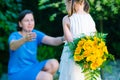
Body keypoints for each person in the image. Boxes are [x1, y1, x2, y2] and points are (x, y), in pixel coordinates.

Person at [8, 9, 64, 80]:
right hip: (18, 72)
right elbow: (12, 46)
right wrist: (24, 39)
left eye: (32, 20)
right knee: (47, 77)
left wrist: (64, 38)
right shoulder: (14, 35)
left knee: (54, 63)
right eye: (26, 20)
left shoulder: (35, 33)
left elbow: (53, 41)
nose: (30, 23)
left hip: (33, 67)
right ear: (20, 24)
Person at [59, 0, 102, 80]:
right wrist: (91, 55)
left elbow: (70, 42)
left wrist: (80, 55)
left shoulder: (67, 19)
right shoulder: (90, 18)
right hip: (89, 58)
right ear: (83, 2)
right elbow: (96, 39)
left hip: (73, 58)